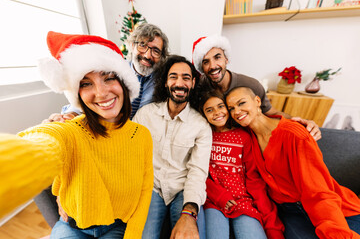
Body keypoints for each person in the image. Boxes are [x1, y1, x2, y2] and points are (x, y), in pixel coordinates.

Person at [0, 31, 154, 239]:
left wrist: (133, 236)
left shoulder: (142, 135)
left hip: (117, 227)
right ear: (78, 94)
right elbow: (47, 140)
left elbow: (145, 192)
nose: (100, 93)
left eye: (108, 78)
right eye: (86, 83)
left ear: (124, 85)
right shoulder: (71, 130)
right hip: (72, 227)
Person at [225, 86, 360, 239]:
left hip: (334, 209)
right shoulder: (246, 140)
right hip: (291, 212)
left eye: (241, 103)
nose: (236, 111)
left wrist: (336, 234)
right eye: (231, 108)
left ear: (257, 101)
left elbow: (318, 191)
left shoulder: (294, 134)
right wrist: (272, 227)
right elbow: (257, 187)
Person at [133, 55, 212, 239]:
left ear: (193, 83)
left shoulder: (201, 126)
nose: (179, 83)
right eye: (173, 77)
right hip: (151, 187)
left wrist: (190, 210)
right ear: (166, 82)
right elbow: (131, 155)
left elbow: (197, 171)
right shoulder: (145, 115)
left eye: (186, 78)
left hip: (182, 189)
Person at [192, 35, 322, 141]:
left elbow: (271, 113)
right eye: (206, 62)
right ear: (201, 68)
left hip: (246, 142)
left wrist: (302, 122)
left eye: (217, 57)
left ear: (226, 59)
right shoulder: (199, 87)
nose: (213, 65)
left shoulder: (250, 84)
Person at [198, 89, 284, 239]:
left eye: (220, 106)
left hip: (243, 201)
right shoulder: (204, 136)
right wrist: (219, 196)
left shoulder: (243, 136)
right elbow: (198, 172)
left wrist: (273, 228)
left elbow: (254, 179)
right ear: (203, 115)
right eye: (209, 110)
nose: (217, 112)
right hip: (214, 201)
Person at [46, 23, 169, 122]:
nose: (148, 55)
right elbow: (88, 96)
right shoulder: (114, 69)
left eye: (156, 51)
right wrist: (70, 114)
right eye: (142, 45)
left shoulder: (163, 81)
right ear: (132, 45)